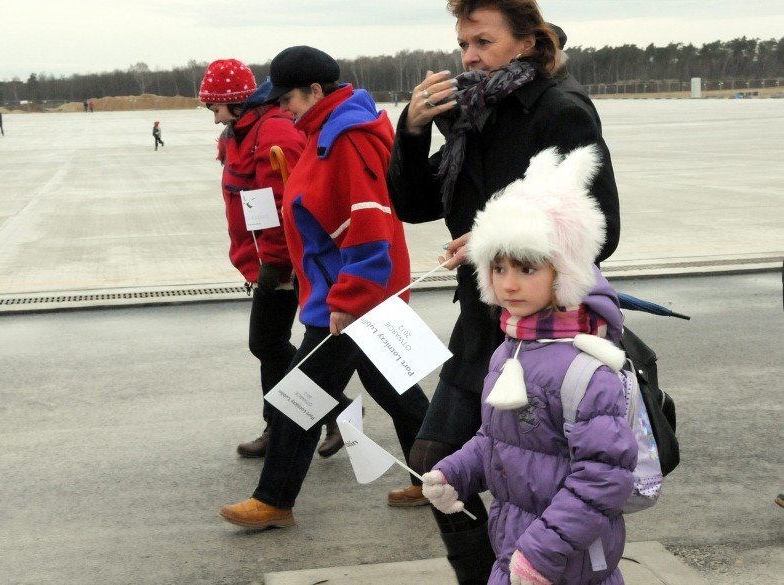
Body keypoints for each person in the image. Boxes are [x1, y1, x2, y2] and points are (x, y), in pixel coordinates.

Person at [386, 1, 620, 582]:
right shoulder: (472, 116)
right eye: (463, 43)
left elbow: (604, 229)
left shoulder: (559, 112)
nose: (468, 56)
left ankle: (538, 566)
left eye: (483, 42)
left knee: (555, 477)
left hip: (551, 332)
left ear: (524, 42)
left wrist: (500, 239)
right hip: (482, 323)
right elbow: (414, 205)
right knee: (433, 461)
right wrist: (411, 131)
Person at [218, 45, 430, 529]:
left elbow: (369, 222)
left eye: (288, 99)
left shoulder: (346, 139)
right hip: (347, 291)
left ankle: (273, 500)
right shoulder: (324, 131)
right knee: (396, 390)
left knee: (299, 397)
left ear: (315, 91)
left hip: (352, 296)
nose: (284, 109)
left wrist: (350, 300)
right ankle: (441, 473)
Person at [422, 145, 636, 585]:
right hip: (515, 556)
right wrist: (454, 473)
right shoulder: (509, 350)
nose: (509, 283)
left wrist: (540, 553)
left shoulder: (587, 369)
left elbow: (603, 479)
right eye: (498, 268)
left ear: (565, 271)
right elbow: (498, 440)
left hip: (567, 567)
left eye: (526, 267)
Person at [197, 58, 305, 458]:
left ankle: (331, 408)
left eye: (215, 108)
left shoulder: (272, 131)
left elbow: (282, 205)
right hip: (262, 262)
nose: (213, 118)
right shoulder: (240, 133)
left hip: (283, 264)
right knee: (269, 344)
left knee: (266, 343)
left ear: (237, 102)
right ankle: (279, 424)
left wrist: (274, 264)